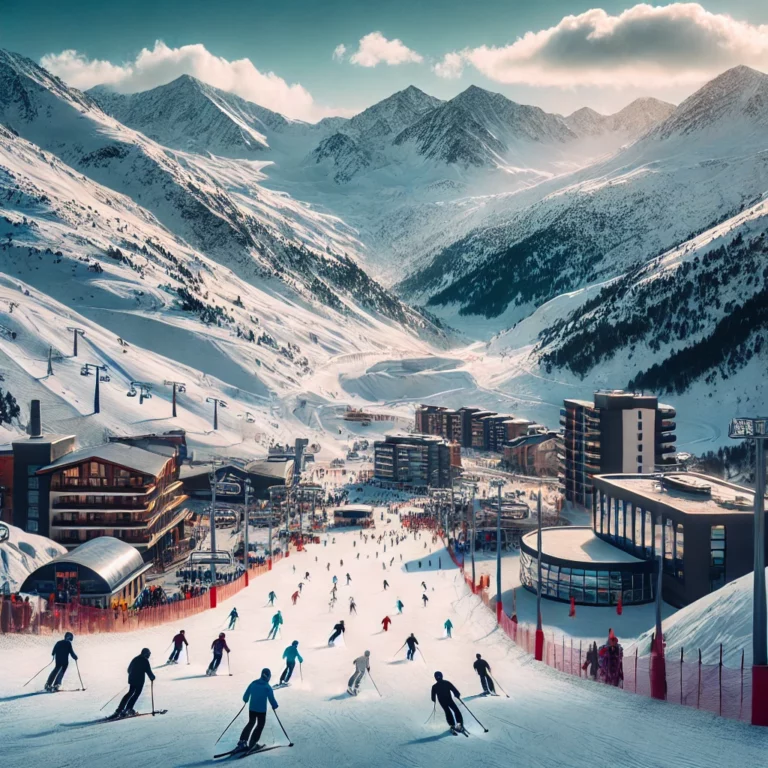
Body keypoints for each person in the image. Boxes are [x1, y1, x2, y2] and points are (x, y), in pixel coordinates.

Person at [235, 668, 279, 753]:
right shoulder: (267, 687)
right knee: (260, 725)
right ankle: (253, 743)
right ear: (268, 677)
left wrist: (246, 699)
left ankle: (242, 742)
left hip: (252, 709)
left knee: (251, 722)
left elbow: (246, 694)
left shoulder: (253, 683)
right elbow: (271, 699)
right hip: (261, 710)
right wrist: (274, 705)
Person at [111, 648, 155, 718]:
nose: (149, 656)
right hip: (139, 681)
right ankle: (128, 709)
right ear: (146, 654)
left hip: (132, 679)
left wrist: (132, 675)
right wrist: (152, 677)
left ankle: (119, 710)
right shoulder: (145, 660)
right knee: (136, 694)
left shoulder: (135, 659)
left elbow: (128, 670)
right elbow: (148, 670)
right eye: (149, 654)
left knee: (130, 693)